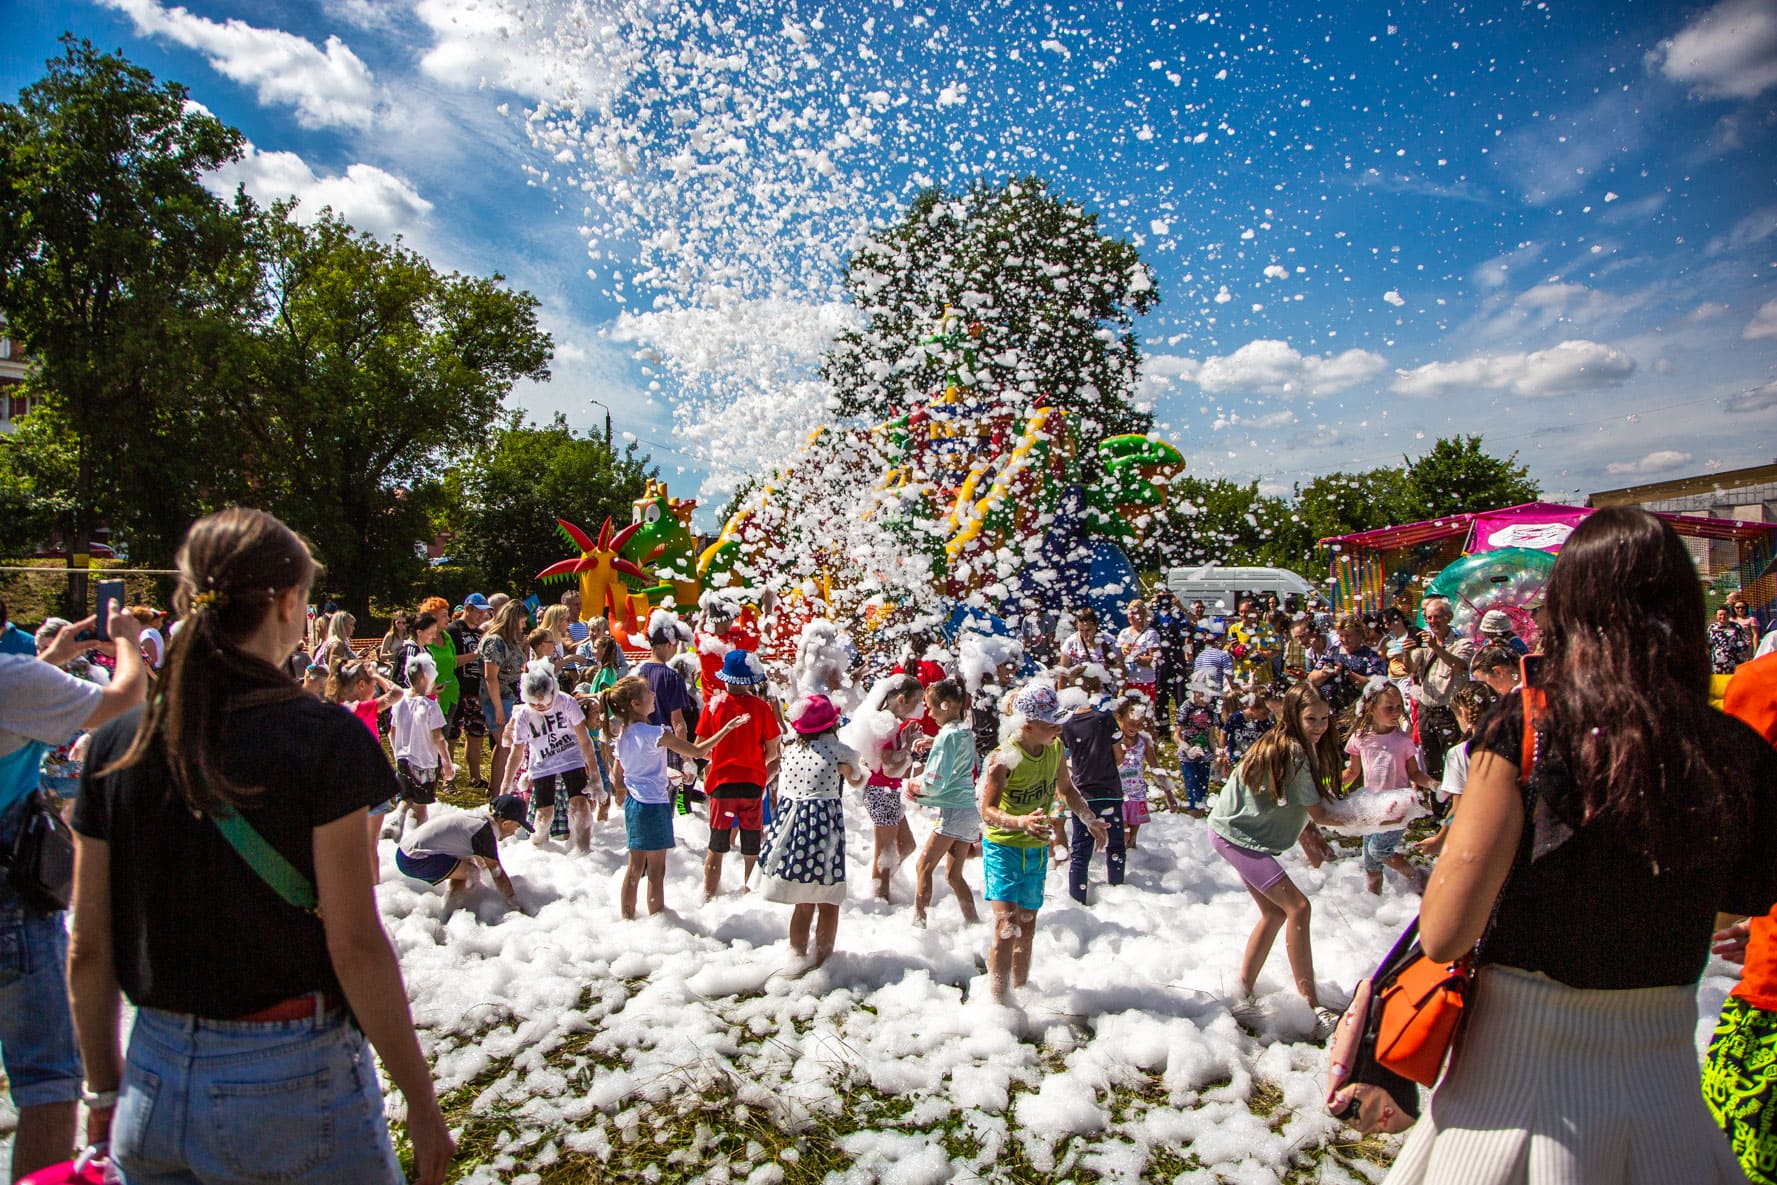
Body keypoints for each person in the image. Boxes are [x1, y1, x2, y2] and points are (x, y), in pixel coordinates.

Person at [1384, 507, 1777, 1183]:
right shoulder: (1735, 748)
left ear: (1566, 608)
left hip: (1512, 1094)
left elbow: (1446, 931)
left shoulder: (1531, 723)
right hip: (1671, 1104)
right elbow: (1722, 911)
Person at [66, 508, 452, 1185]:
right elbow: (354, 943)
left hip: (149, 1075)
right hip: (289, 1078)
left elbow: (88, 947)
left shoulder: (114, 745)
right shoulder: (322, 739)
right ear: (288, 603)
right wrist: (420, 1101)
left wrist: (103, 1094)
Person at [0, 601, 145, 1182]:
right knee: (48, 1083)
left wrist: (53, 659)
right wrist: (127, 643)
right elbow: (122, 703)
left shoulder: (20, 677)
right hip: (11, 899)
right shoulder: (11, 679)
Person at [1210, 684, 1391, 1038]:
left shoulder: (1300, 745)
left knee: (1276, 912)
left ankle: (1241, 993)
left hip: (1239, 832)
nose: (1320, 725)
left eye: (1325, 718)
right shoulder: (1291, 750)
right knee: (1298, 908)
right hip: (1237, 835)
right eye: (1311, 718)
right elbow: (1321, 814)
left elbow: (1322, 796)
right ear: (1293, 716)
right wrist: (1376, 818)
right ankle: (1312, 1007)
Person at [978, 683, 1109, 1004]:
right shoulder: (1004, 759)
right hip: (1004, 848)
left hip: (1035, 848)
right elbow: (987, 811)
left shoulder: (1054, 750)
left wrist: (1089, 818)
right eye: (1051, 725)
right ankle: (997, 1001)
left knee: (1027, 923)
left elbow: (1067, 790)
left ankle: (1020, 993)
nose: (1058, 730)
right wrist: (1020, 822)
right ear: (1028, 724)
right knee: (1006, 925)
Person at [601, 677, 745, 918]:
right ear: (636, 703)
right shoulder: (656, 733)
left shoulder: (623, 736)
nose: (653, 694)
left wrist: (658, 775)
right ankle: (657, 919)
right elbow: (698, 751)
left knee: (635, 867)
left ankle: (627, 919)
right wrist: (727, 729)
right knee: (656, 871)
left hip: (634, 805)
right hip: (655, 806)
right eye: (648, 691)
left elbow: (618, 781)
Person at [750, 695, 867, 967]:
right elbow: (857, 779)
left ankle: (796, 958)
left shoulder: (790, 750)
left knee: (802, 902)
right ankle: (823, 962)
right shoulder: (839, 751)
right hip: (823, 829)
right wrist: (853, 771)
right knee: (828, 899)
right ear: (832, 724)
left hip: (792, 829)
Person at [697, 649, 782, 899]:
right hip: (752, 785)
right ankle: (750, 897)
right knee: (751, 848)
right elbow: (773, 749)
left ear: (725, 678)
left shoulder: (714, 706)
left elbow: (701, 745)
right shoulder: (761, 707)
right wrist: (755, 761)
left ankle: (708, 896)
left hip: (722, 786)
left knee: (716, 846)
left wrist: (721, 758)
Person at [1341, 680, 1438, 895]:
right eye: (1389, 708)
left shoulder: (1402, 740)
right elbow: (1352, 772)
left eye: (1398, 707)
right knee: (1370, 862)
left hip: (1397, 805)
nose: (1396, 712)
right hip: (1372, 806)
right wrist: (1327, 786)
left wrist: (1431, 783)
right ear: (1371, 709)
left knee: (1379, 850)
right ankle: (1372, 899)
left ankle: (1417, 877)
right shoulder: (1361, 739)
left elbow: (1414, 773)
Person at [502, 660, 601, 852]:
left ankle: (583, 850)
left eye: (544, 703)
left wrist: (595, 775)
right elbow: (516, 751)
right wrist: (506, 785)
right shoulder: (523, 714)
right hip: (543, 763)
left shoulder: (566, 702)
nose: (540, 707)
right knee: (544, 814)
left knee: (580, 805)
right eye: (534, 703)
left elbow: (585, 740)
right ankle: (539, 848)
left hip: (571, 758)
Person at [908, 678, 980, 927]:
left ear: (947, 705)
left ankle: (919, 924)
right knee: (953, 875)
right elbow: (953, 747)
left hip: (953, 812)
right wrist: (934, 741)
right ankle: (973, 924)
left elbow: (936, 780)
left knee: (923, 867)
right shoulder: (964, 730)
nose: (929, 712)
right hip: (969, 810)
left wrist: (915, 787)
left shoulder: (947, 737)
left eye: (931, 707)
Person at [396, 796, 529, 917]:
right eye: (516, 826)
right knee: (471, 872)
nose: (514, 832)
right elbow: (497, 873)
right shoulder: (484, 833)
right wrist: (515, 905)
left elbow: (483, 862)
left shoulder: (478, 820)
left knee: (467, 863)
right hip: (413, 860)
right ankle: (448, 915)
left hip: (404, 852)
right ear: (505, 823)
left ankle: (451, 908)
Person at [857, 674, 926, 902]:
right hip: (880, 790)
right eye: (916, 702)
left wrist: (905, 739)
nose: (919, 708)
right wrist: (909, 750)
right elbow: (888, 763)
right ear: (902, 699)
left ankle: (886, 887)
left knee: (906, 845)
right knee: (885, 853)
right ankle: (880, 899)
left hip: (888, 790)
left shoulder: (889, 722)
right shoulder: (885, 723)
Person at [1415, 681, 1497, 859]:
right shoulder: (1509, 744)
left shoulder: (1460, 753)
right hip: (1508, 827)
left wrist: (1440, 840)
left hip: (1475, 832)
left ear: (1464, 714)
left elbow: (1457, 808)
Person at [1062, 681, 1127, 906]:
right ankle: (1118, 893)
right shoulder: (1105, 719)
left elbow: (1063, 759)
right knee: (1116, 845)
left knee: (1081, 850)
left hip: (1081, 794)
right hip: (1110, 790)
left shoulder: (1066, 724)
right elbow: (1119, 756)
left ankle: (1077, 901)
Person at [1406, 595, 1474, 782]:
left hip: (1449, 712)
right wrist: (1406, 651)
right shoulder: (1424, 644)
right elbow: (1410, 669)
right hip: (1426, 711)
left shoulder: (1462, 643)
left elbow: (1459, 665)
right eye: (1429, 618)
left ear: (1449, 617)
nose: (1432, 622)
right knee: (1431, 764)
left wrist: (1436, 647)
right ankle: (1437, 807)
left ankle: (1458, 804)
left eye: (1437, 617)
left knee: (1455, 762)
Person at [388, 652, 454, 836]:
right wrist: (447, 762)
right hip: (424, 762)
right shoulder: (431, 706)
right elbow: (438, 737)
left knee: (406, 798)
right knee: (421, 808)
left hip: (403, 758)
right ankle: (418, 839)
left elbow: (391, 732)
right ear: (426, 677)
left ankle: (398, 817)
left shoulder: (399, 702)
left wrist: (397, 753)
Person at [477, 598, 530, 792]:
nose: (524, 626)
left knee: (502, 747)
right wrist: (498, 708)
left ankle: (495, 789)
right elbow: (490, 677)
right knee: (506, 746)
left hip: (509, 696)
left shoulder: (509, 640)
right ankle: (499, 793)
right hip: (498, 698)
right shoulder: (495, 641)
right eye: (522, 621)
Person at [1114, 693, 1170, 851]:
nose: (1135, 727)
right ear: (1119, 717)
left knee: (1131, 839)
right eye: (1131, 722)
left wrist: (1169, 794)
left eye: (1140, 723)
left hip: (1137, 794)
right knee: (1122, 834)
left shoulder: (1144, 741)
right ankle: (1118, 865)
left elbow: (1155, 768)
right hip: (1118, 794)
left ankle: (1133, 866)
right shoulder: (1113, 740)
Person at [447, 594, 491, 788]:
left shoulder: (481, 633)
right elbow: (451, 661)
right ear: (468, 609)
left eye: (484, 612)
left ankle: (475, 777)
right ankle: (448, 778)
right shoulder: (452, 630)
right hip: (457, 689)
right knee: (451, 735)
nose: (482, 616)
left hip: (477, 690)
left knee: (476, 734)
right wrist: (474, 655)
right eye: (479, 612)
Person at [1307, 613, 1383, 715]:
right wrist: (1323, 673)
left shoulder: (1371, 656)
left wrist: (1347, 673)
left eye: (1348, 636)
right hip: (1329, 710)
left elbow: (1374, 686)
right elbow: (1311, 678)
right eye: (1341, 635)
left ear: (1359, 634)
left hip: (1356, 710)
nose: (1344, 640)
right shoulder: (1332, 652)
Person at [1175, 674, 1221, 816]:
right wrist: (1188, 749)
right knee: (1193, 789)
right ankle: (1193, 818)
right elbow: (1176, 736)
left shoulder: (1210, 709)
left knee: (1203, 790)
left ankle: (1199, 820)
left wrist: (1217, 753)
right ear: (1195, 692)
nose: (1206, 700)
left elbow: (1211, 736)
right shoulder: (1186, 708)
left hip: (1205, 755)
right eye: (1203, 696)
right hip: (1187, 756)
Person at [1058, 607, 1121, 685]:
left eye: (1088, 630)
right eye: (1081, 630)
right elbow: (1063, 675)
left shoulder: (1110, 642)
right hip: (1079, 693)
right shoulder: (1071, 643)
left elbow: (1121, 670)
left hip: (1105, 693)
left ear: (1096, 626)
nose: (1085, 634)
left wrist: (1121, 692)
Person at [1117, 599, 1162, 702]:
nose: (1131, 616)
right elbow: (1116, 656)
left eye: (1134, 613)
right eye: (1129, 613)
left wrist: (1135, 658)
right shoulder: (1124, 633)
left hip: (1144, 681)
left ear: (1143, 614)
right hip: (1127, 681)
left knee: (1144, 714)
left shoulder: (1150, 634)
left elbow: (1154, 659)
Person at [1711, 606, 1750, 675]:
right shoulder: (1712, 628)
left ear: (1729, 615)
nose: (1722, 616)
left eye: (1725, 614)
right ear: (1716, 616)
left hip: (1734, 661)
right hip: (1717, 663)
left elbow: (1743, 643)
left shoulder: (1736, 627)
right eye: (1720, 615)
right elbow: (1709, 644)